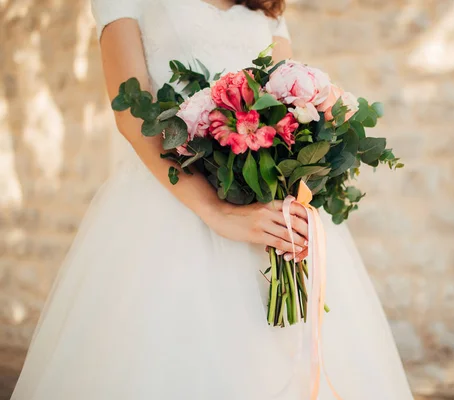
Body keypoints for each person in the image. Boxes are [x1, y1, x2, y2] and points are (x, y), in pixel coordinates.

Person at [10, 1, 414, 399]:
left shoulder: (268, 8)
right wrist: (215, 210)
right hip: (167, 199)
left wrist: (291, 186)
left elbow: (285, 103)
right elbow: (131, 114)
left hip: (260, 192)